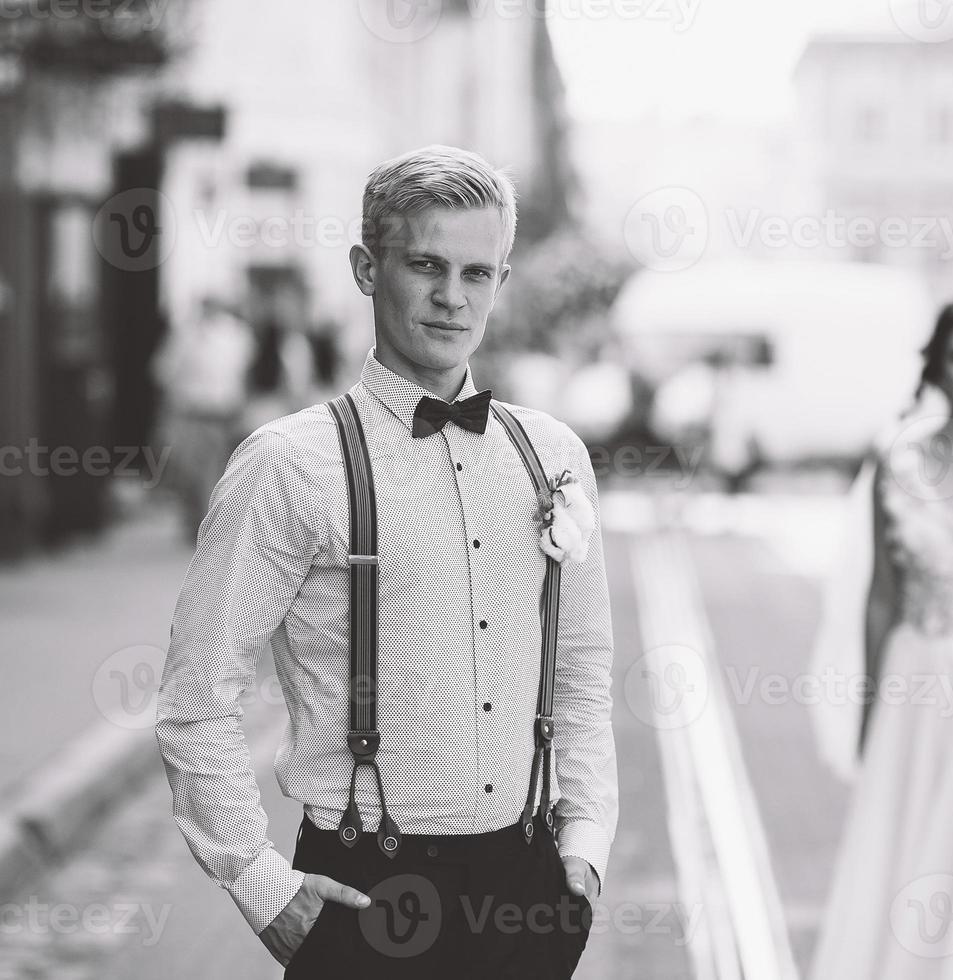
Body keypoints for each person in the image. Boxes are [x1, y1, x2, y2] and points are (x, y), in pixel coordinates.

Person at [154, 145, 618, 979]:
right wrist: (261, 885)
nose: (451, 297)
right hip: (369, 894)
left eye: (477, 273)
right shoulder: (289, 464)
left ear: (501, 282)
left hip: (527, 892)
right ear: (368, 269)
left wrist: (582, 848)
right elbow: (195, 698)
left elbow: (580, 671)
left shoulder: (550, 452)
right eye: (426, 265)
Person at [808, 297, 953, 976]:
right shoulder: (900, 462)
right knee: (911, 846)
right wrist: (867, 708)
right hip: (917, 683)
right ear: (937, 364)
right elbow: (881, 597)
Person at [151, 295, 255, 542]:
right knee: (192, 471)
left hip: (221, 413)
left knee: (215, 472)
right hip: (193, 412)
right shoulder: (186, 335)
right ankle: (197, 521)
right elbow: (163, 373)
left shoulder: (236, 334)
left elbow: (244, 373)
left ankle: (208, 524)